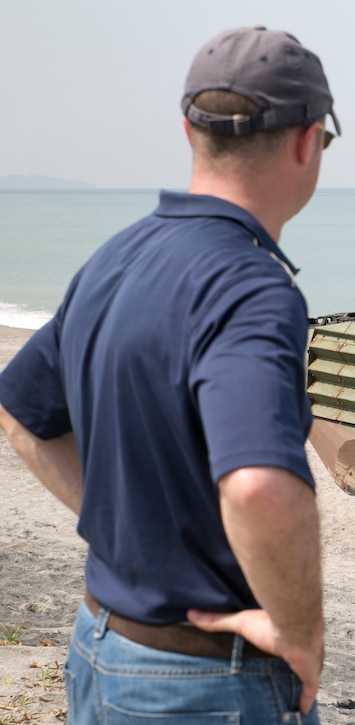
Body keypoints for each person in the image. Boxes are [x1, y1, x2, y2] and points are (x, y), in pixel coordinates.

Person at [0, 26, 338, 722]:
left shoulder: (117, 256)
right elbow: (258, 487)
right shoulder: (252, 288)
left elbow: (21, 413)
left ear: (188, 131)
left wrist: (130, 541)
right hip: (204, 683)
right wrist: (298, 631)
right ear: (308, 141)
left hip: (99, 645)